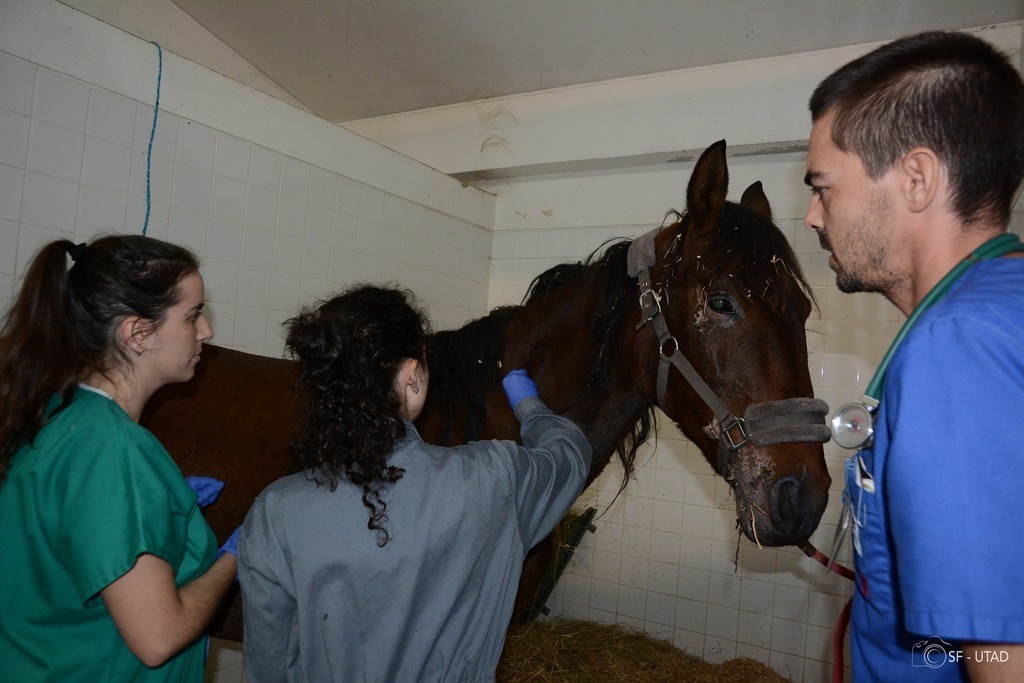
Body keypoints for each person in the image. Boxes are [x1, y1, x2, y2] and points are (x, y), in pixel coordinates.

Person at [803, 31, 1024, 681]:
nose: (814, 216)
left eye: (824, 186)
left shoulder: (956, 346)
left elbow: (998, 657)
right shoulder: (1002, 307)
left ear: (917, 178)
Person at [238, 284, 593, 681]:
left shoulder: (275, 511)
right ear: (411, 375)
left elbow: (269, 668)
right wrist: (529, 405)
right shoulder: (493, 478)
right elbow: (572, 454)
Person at [0, 235, 242, 682]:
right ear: (137, 333)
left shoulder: (53, 413)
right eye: (191, 316)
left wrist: (166, 517)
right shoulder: (113, 449)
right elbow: (159, 638)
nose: (205, 331)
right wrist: (237, 557)